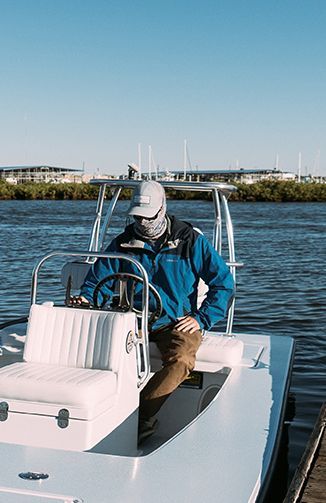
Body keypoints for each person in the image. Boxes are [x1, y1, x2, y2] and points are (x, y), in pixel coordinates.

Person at [71, 181, 234, 442]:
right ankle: (87, 415)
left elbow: (223, 283)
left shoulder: (191, 241)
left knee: (181, 360)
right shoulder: (122, 243)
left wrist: (201, 318)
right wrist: (86, 299)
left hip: (175, 322)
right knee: (87, 349)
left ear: (163, 209)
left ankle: (138, 417)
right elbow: (96, 281)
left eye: (148, 217)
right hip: (130, 320)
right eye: (137, 216)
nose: (143, 222)